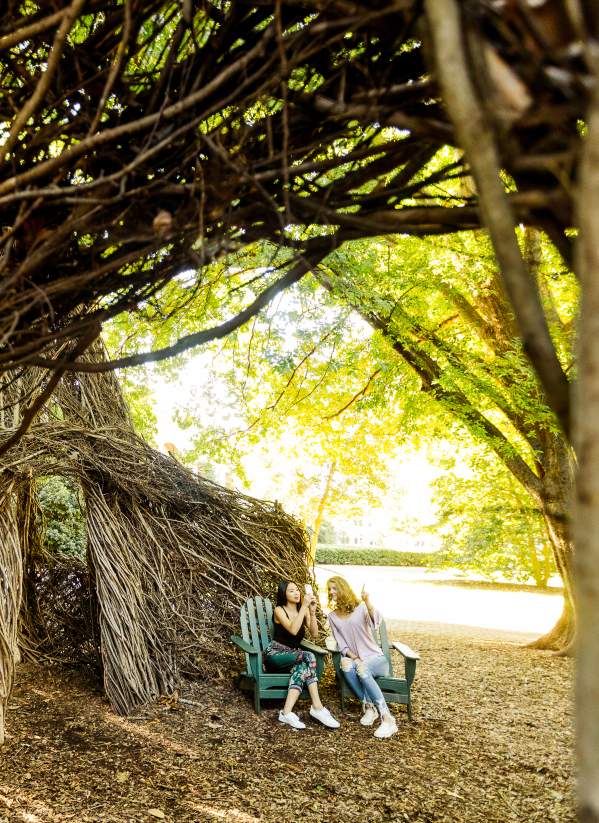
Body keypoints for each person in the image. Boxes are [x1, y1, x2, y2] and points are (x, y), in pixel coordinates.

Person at [326, 575, 398, 739]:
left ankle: (387, 719)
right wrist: (355, 657)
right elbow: (341, 643)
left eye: (334, 588)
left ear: (343, 589)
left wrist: (367, 602)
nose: (331, 592)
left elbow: (375, 622)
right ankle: (369, 707)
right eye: (329, 589)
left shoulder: (361, 608)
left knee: (362, 668)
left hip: (376, 659)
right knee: (345, 663)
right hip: (358, 660)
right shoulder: (332, 616)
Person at [264, 580, 340, 730]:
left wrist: (311, 612)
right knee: (308, 656)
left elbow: (315, 634)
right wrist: (304, 606)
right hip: (276, 655)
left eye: (297, 590)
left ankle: (286, 712)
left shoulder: (304, 610)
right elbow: (293, 630)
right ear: (283, 594)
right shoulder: (279, 610)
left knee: (303, 668)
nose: (296, 593)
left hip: (294, 656)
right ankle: (317, 707)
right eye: (291, 591)